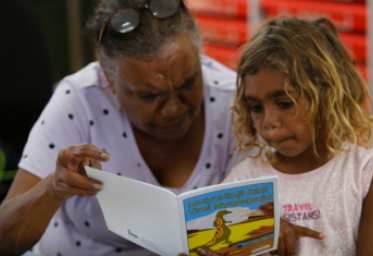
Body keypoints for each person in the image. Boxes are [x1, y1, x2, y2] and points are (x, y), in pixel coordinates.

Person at [0, 0, 243, 255]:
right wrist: (52, 189)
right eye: (149, 96)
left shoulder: (235, 102)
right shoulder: (79, 102)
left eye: (188, 83)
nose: (173, 108)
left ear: (200, 54)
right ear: (109, 78)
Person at [219, 16, 373, 255]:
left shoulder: (369, 174)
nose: (268, 123)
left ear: (326, 96)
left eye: (284, 103)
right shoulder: (242, 181)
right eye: (256, 107)